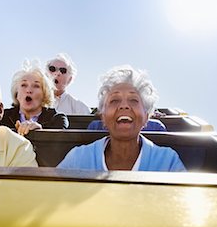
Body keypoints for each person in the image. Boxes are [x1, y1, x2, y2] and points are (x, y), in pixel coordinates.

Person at [57, 65, 186, 172]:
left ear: (146, 117)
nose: (124, 106)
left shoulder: (168, 161)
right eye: (114, 100)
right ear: (103, 117)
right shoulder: (78, 158)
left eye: (134, 100)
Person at [0, 60, 69, 135]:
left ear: (45, 93)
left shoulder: (57, 118)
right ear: (17, 92)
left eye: (36, 86)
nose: (29, 90)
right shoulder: (2, 117)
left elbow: (58, 139)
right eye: (24, 85)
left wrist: (40, 130)